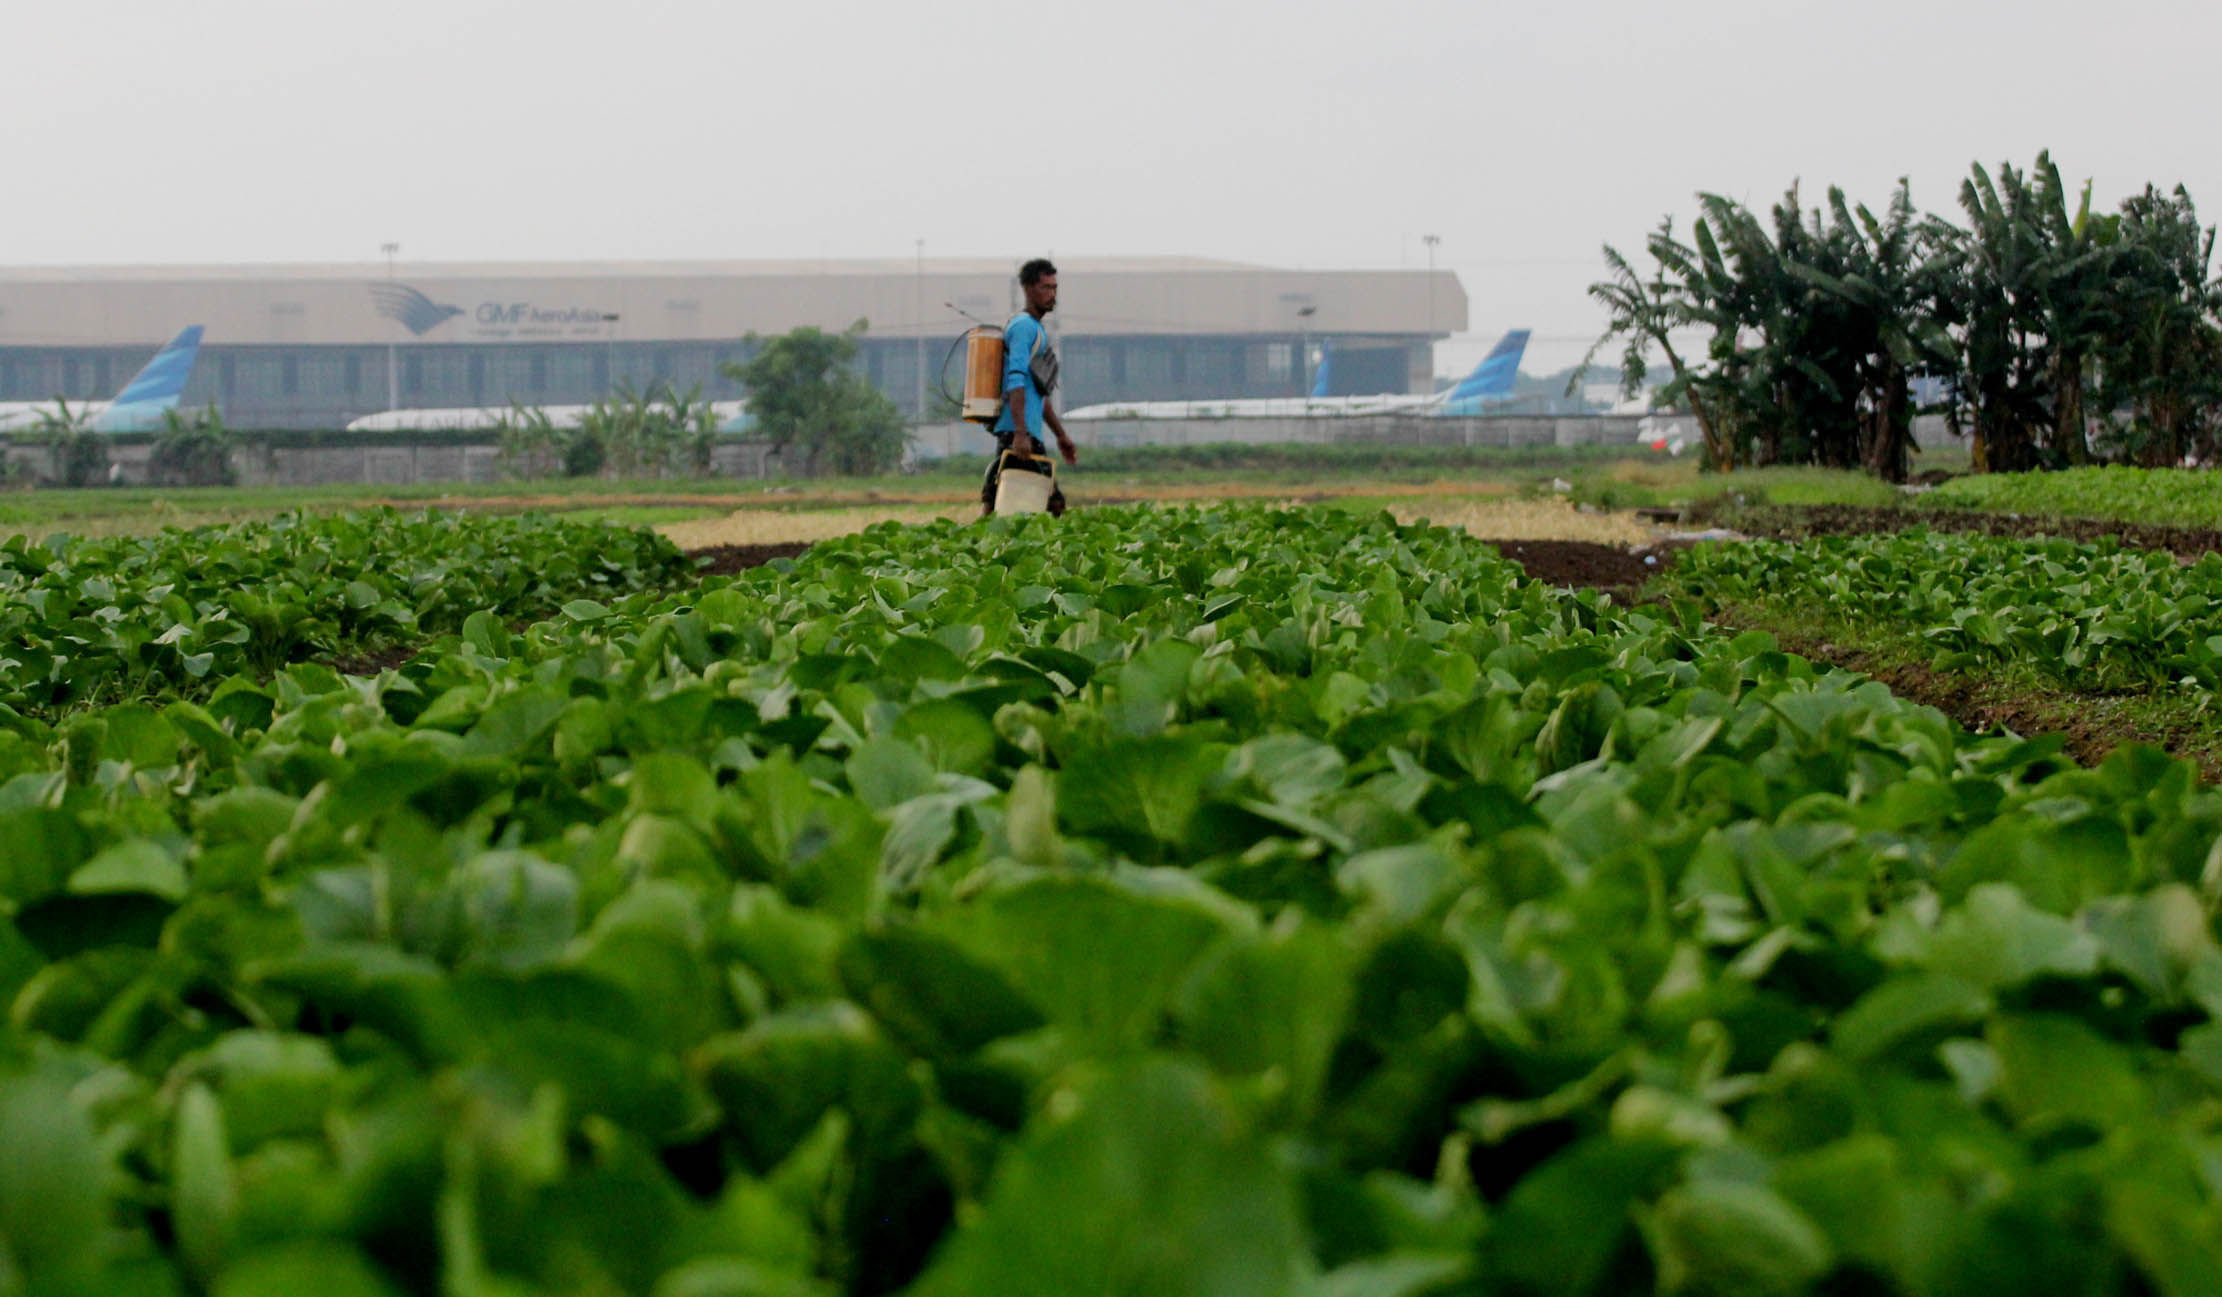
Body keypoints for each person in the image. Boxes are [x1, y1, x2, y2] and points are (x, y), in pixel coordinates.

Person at [983, 258, 1077, 514]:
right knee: (1053, 505)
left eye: (1054, 288)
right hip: (1018, 433)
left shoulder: (1037, 329)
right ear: (1027, 289)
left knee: (995, 506)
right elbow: (1016, 381)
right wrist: (1021, 434)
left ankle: (978, 549)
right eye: (1045, 287)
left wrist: (1061, 436)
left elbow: (1037, 394)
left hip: (1023, 432)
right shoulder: (1024, 327)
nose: (1052, 294)